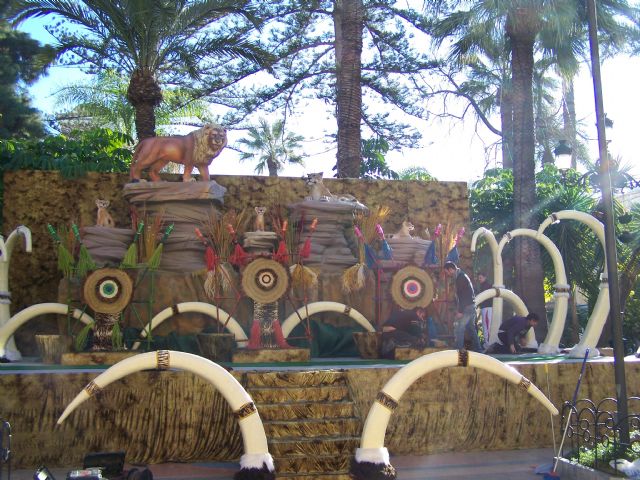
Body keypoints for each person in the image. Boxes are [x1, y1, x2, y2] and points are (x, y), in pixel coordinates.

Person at [443, 261, 481, 351]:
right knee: (471, 329)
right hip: (471, 306)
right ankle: (478, 349)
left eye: (446, 272)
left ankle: (458, 349)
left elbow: (462, 296)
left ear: (451, 269)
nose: (447, 274)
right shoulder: (462, 275)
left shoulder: (460, 277)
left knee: (460, 328)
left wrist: (460, 311)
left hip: (467, 307)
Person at [476, 272, 493, 349]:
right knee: (485, 326)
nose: (479, 279)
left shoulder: (487, 286)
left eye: (481, 278)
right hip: (484, 308)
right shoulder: (483, 286)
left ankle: (488, 344)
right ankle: (487, 343)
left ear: (485, 277)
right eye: (479, 278)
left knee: (487, 326)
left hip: (487, 308)